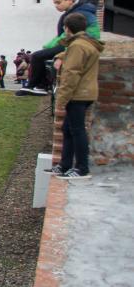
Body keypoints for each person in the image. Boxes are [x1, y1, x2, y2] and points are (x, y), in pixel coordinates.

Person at [19, 0, 101, 96]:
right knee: (40, 55)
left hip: (81, 42)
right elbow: (62, 35)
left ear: (70, 0)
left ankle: (35, 85)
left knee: (37, 56)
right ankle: (40, 85)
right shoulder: (72, 12)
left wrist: (60, 52)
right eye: (55, 3)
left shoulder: (79, 13)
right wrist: (48, 46)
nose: (56, 6)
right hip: (73, 41)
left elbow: (69, 35)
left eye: (59, 2)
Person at [53, 12, 104, 180]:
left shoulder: (77, 46)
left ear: (67, 28)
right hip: (86, 92)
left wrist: (61, 98)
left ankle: (82, 168)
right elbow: (73, 57)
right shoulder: (86, 43)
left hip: (78, 94)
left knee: (77, 131)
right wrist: (60, 56)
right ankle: (64, 165)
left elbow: (71, 73)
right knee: (68, 129)